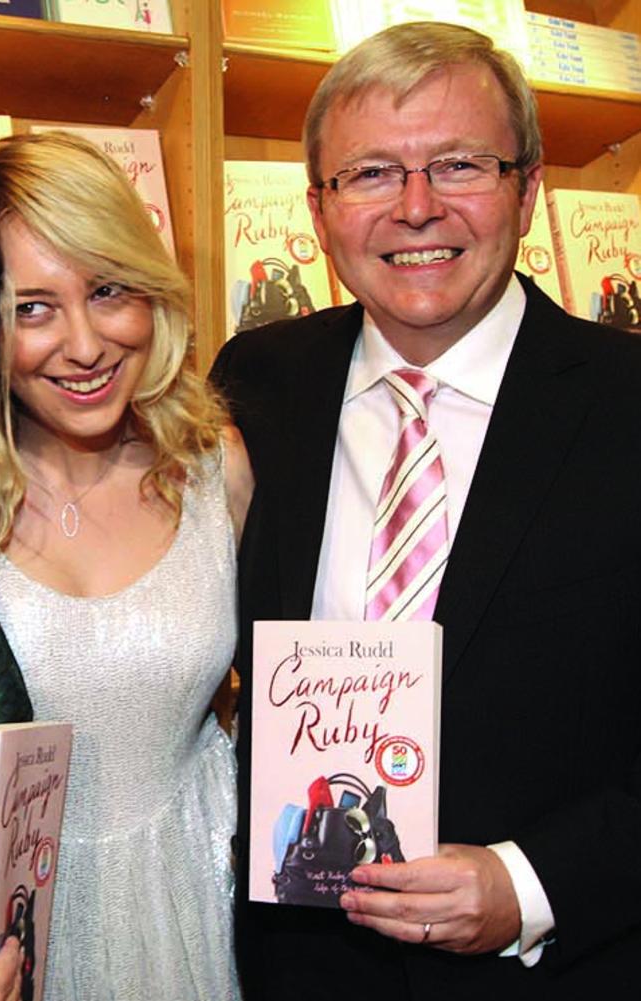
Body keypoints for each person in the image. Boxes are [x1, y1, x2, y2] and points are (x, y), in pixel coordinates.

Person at [211, 19, 641, 1001]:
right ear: (318, 210)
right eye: (369, 173)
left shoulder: (626, 404)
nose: (415, 208)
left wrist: (527, 884)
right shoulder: (256, 384)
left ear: (526, 190)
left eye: (456, 164)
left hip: (553, 963)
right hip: (294, 965)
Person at [0, 131, 252, 1001]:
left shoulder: (219, 469)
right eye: (31, 307)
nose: (85, 343)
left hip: (205, 900)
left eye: (108, 289)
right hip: (24, 939)